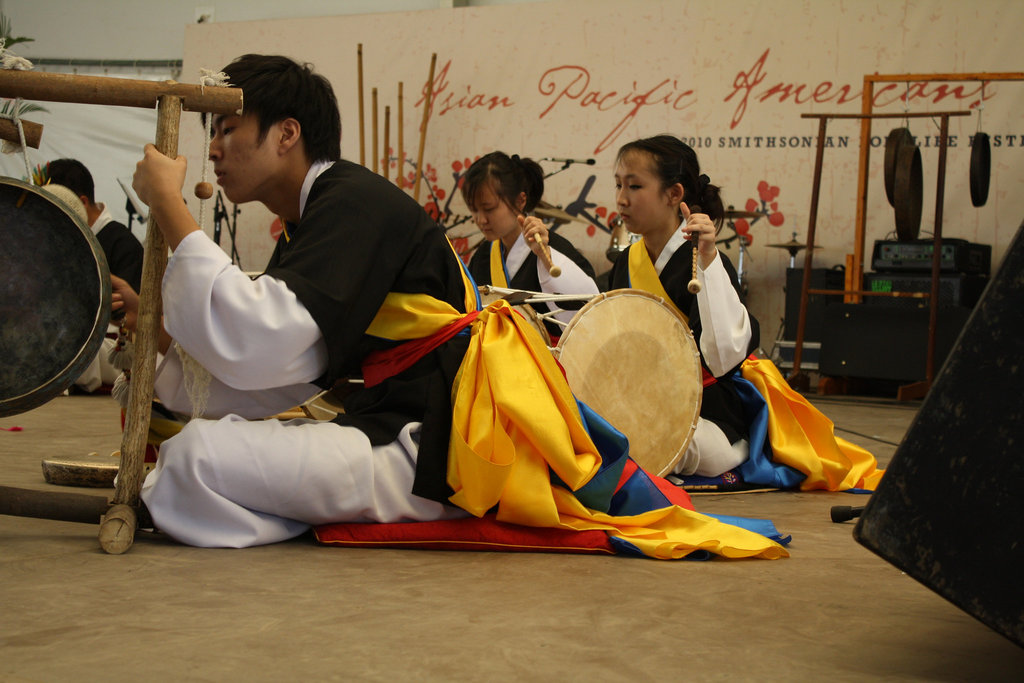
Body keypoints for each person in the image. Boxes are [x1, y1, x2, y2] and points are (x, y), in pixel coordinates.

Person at [114, 55, 785, 559]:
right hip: (413, 424)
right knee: (194, 448)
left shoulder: (351, 202)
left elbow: (262, 336)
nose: (214, 148)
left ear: (287, 133)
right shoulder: (320, 214)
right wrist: (169, 348)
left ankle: (324, 511)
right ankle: (296, 509)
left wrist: (170, 208)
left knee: (198, 456)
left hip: (442, 443)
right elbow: (285, 367)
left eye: (229, 129)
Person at [607, 135, 882, 491]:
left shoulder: (705, 262)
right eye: (618, 185)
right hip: (643, 401)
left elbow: (723, 359)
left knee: (643, 442)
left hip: (707, 414)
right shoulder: (627, 263)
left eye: (635, 186)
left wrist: (707, 259)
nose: (621, 199)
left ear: (674, 194)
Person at [462, 152, 598, 336]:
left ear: (520, 201)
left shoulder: (552, 250)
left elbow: (589, 313)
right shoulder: (483, 255)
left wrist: (544, 257)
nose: (481, 220)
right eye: (474, 210)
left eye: (488, 209)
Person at [47, 158, 145, 394]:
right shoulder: (56, 243)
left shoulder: (122, 243)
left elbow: (125, 317)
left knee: (62, 350)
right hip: (62, 334)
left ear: (81, 202)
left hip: (107, 344)